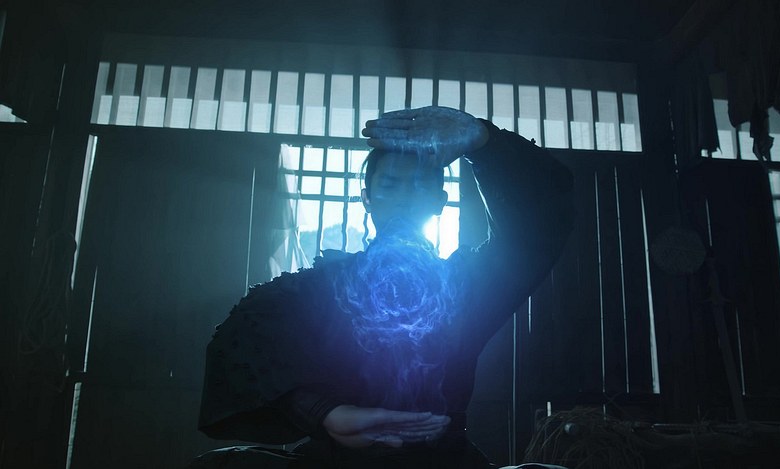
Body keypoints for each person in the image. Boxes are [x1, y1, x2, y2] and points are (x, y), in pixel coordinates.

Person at [194, 106, 575, 468]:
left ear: (440, 201)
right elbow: (237, 348)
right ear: (367, 198)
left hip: (442, 463)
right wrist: (325, 412)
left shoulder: (468, 286)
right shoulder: (319, 287)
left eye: (420, 187)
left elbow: (534, 231)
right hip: (335, 463)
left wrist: (484, 141)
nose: (405, 200)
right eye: (390, 186)